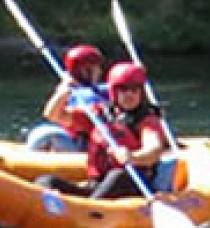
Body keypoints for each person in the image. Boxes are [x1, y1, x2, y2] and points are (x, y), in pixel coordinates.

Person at [35, 62, 167, 200]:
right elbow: (53, 115)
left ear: (141, 92)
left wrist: (132, 156)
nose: (129, 94)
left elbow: (154, 150)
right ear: (114, 91)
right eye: (123, 89)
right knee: (46, 181)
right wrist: (62, 93)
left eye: (134, 89)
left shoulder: (147, 120)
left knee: (117, 175)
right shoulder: (98, 114)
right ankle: (81, 208)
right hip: (98, 184)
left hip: (133, 184)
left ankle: (88, 209)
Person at [30, 44, 107, 152]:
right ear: (86, 70)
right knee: (43, 133)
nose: (100, 71)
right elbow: (51, 114)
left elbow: (51, 115)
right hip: (82, 140)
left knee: (44, 133)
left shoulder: (103, 90)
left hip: (94, 143)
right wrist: (63, 90)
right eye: (97, 67)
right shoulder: (75, 92)